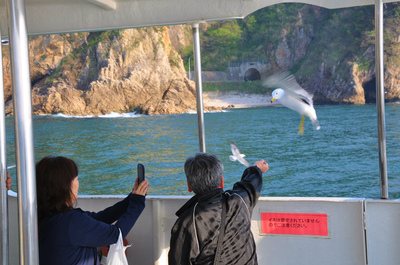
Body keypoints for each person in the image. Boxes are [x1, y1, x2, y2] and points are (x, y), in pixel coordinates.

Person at [36, 156, 149, 265]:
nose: (78, 183)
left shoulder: (48, 214)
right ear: (65, 186)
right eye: (76, 179)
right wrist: (138, 202)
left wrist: (133, 197)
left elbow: (101, 218)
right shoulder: (72, 221)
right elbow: (116, 235)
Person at [168, 152, 269, 265]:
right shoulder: (240, 200)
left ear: (189, 186)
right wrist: (257, 168)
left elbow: (178, 261)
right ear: (221, 181)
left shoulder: (187, 222)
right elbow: (250, 183)